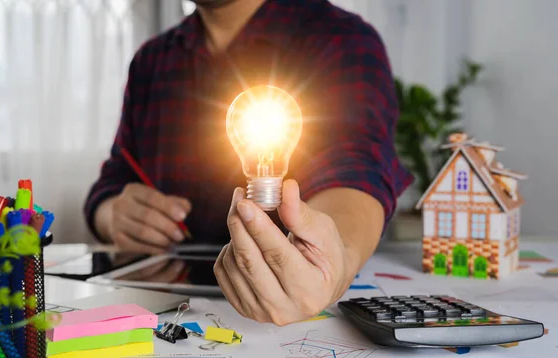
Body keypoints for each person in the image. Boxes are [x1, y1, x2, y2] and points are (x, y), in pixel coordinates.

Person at [84, 0, 413, 325]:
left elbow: (356, 167)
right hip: (171, 314)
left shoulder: (342, 39)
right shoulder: (151, 63)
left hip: (295, 323)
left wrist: (335, 256)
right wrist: (115, 214)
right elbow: (114, 180)